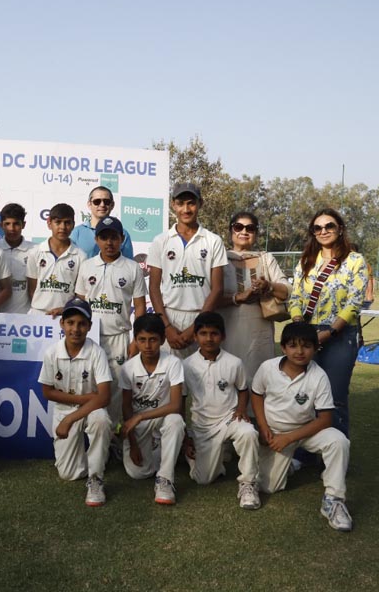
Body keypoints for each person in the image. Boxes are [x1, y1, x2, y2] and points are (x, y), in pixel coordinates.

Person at [251, 321, 352, 532]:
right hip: (275, 434)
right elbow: (257, 394)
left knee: (338, 440)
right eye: (293, 345)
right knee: (269, 487)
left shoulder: (319, 376)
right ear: (284, 347)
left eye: (306, 346)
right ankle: (286, 464)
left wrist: (290, 438)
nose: (299, 351)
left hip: (304, 431)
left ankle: (334, 500)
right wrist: (263, 426)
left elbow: (325, 419)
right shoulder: (267, 368)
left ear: (316, 348)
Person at [288, 208, 367, 438]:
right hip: (307, 334)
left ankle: (335, 453)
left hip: (340, 335)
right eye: (318, 227)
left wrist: (331, 332)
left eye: (329, 226)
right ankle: (305, 453)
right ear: (313, 232)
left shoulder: (354, 260)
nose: (324, 231)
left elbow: (354, 302)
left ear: (340, 229)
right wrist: (299, 326)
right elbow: (295, 298)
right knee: (305, 395)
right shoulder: (306, 261)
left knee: (335, 397)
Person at [75, 216, 146, 439]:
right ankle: (89, 435)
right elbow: (80, 303)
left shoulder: (132, 267)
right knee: (88, 385)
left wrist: (136, 340)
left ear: (121, 239)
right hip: (90, 337)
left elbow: (140, 308)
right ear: (97, 239)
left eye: (114, 237)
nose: (109, 243)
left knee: (115, 390)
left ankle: (111, 438)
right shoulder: (87, 266)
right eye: (104, 237)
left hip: (119, 337)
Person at [38, 298, 113, 507]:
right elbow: (47, 392)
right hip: (67, 410)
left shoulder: (96, 352)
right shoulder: (52, 352)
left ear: (89, 326)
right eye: (70, 323)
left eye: (81, 323)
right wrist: (83, 399)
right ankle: (95, 456)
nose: (76, 329)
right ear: (62, 324)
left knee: (101, 420)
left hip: (91, 410)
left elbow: (104, 397)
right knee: (68, 473)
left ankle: (96, 479)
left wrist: (70, 419)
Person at [182, 312, 261, 509]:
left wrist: (242, 409)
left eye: (214, 333)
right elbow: (181, 399)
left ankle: (248, 483)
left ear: (223, 336)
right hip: (203, 425)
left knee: (249, 432)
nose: (209, 338)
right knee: (204, 479)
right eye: (203, 333)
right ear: (195, 336)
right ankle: (200, 458)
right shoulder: (187, 365)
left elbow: (243, 390)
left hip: (229, 417)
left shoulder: (234, 362)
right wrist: (184, 433)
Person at [147, 182, 227, 359]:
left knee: (202, 379)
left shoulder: (213, 241)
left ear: (200, 204)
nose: (186, 209)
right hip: (170, 317)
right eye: (180, 203)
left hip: (203, 318)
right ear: (173, 205)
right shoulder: (161, 241)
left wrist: (195, 327)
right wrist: (167, 327)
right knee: (171, 381)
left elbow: (217, 289)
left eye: (191, 203)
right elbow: (153, 287)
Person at [119, 314, 184, 505]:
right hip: (138, 426)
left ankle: (165, 479)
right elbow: (125, 406)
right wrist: (133, 444)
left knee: (176, 420)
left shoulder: (173, 363)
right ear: (136, 340)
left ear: (162, 340)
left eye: (153, 340)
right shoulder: (128, 368)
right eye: (142, 340)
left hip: (161, 417)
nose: (147, 346)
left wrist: (140, 417)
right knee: (137, 473)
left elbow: (175, 405)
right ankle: (161, 449)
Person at [218, 212, 290, 384]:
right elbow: (208, 297)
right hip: (227, 333)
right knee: (227, 381)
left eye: (250, 228)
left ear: (256, 233)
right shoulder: (219, 258)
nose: (244, 231)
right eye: (238, 227)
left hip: (260, 334)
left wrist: (269, 286)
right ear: (230, 231)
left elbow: (287, 291)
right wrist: (238, 297)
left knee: (259, 383)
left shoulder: (266, 259)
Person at [26, 203, 87, 316]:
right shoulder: (35, 252)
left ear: (73, 225)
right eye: (58, 222)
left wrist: (66, 308)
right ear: (49, 223)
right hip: (37, 314)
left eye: (67, 222)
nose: (63, 227)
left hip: (66, 315)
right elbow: (32, 289)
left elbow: (80, 294)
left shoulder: (80, 256)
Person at [0, 203, 34, 314]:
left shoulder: (35, 250)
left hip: (24, 316)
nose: (12, 229)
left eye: (16, 224)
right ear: (1, 225)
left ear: (23, 224)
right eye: (7, 224)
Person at [70, 186, 134, 259]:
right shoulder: (76, 232)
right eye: (97, 201)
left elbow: (128, 265)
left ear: (112, 205)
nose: (102, 205)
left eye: (106, 202)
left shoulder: (122, 233)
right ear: (89, 204)